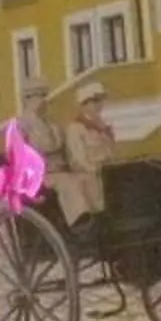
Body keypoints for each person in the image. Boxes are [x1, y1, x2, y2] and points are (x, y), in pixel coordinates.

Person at [55, 82, 117, 238]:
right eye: (94, 101)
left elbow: (110, 151)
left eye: (100, 101)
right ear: (84, 104)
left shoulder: (101, 126)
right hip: (87, 173)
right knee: (92, 182)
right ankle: (93, 222)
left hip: (105, 170)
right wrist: (94, 168)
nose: (99, 105)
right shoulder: (76, 128)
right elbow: (79, 158)